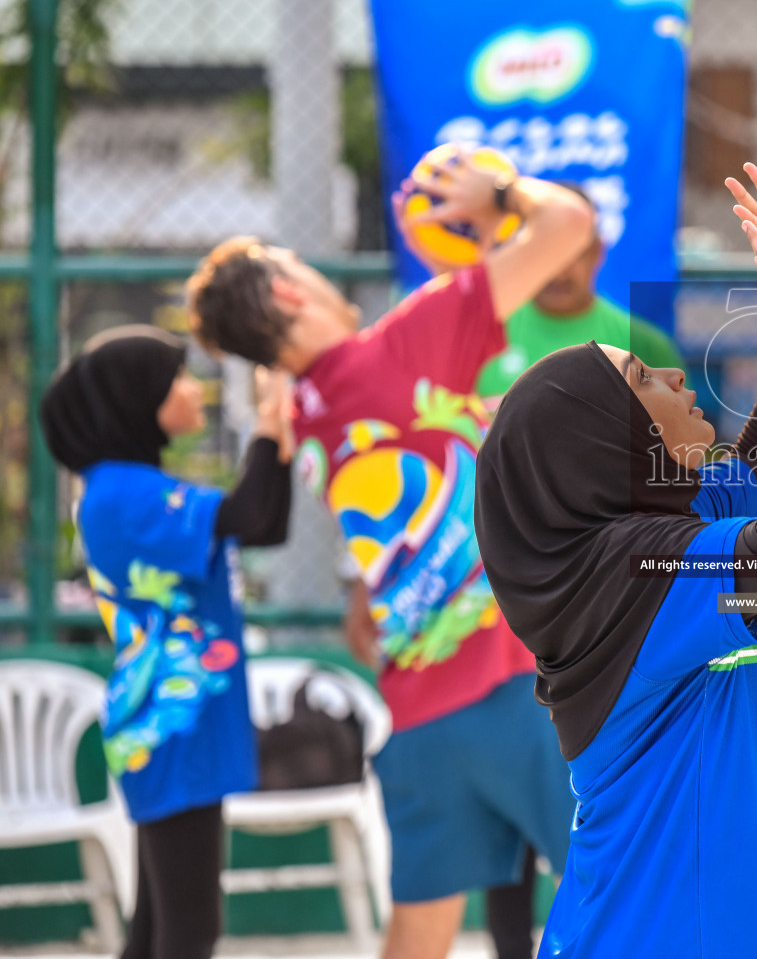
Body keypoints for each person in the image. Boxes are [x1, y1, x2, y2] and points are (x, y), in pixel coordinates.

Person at [183, 149, 589, 959]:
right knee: (634, 888)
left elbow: (404, 490)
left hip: (418, 707)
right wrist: (499, 195)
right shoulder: (407, 344)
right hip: (512, 684)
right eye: (298, 263)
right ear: (291, 292)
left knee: (419, 933)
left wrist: (365, 591)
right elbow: (571, 225)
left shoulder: (308, 407)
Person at [474, 163, 757, 959]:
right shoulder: (635, 574)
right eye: (637, 378)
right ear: (608, 440)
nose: (666, 372)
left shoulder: (658, 538)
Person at [39, 325, 293, 959]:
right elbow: (247, 514)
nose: (195, 389)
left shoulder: (130, 487)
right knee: (189, 930)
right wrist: (267, 420)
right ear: (134, 399)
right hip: (170, 724)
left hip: (177, 720)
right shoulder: (124, 493)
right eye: (176, 378)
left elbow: (262, 525)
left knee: (156, 930)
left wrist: (278, 436)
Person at [473, 184, 686, 402]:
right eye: (547, 251)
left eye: (574, 252)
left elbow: (678, 434)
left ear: (597, 251)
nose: (560, 271)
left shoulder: (646, 348)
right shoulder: (475, 341)